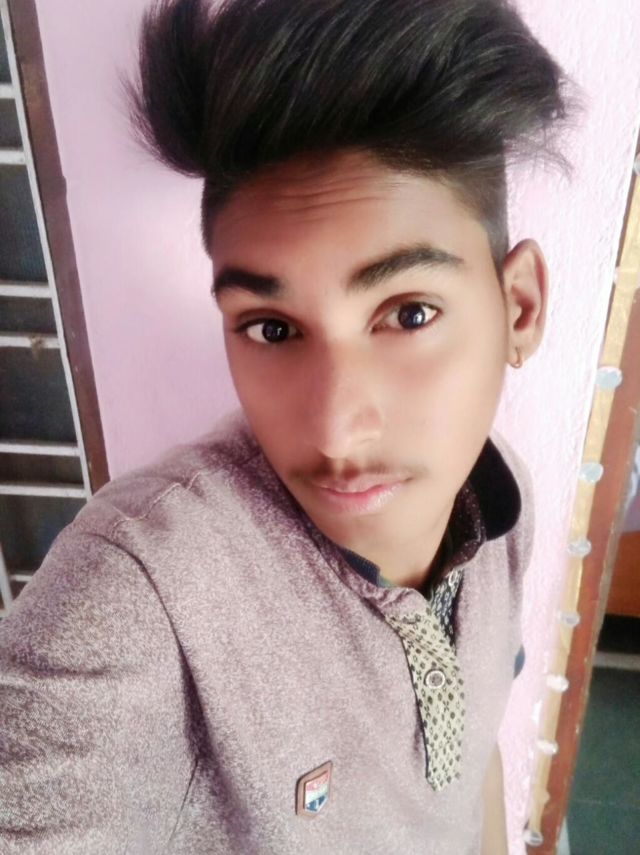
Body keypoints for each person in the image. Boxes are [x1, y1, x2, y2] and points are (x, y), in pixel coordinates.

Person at [0, 0, 575, 852]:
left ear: (518, 307)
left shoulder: (501, 498)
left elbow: (475, 756)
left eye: (408, 313)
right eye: (271, 327)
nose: (336, 429)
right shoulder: (137, 596)